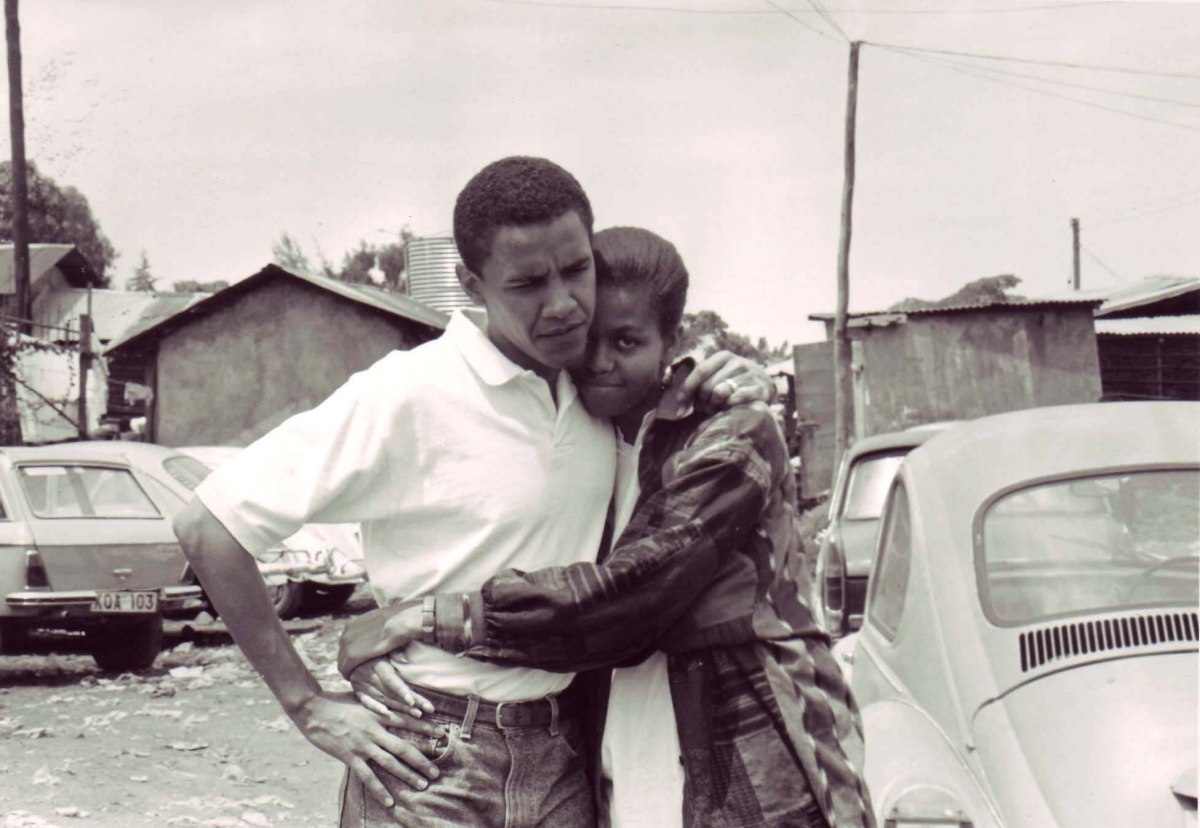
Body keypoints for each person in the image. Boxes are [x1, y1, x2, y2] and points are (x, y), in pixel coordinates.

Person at [173, 157, 770, 827]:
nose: (564, 304)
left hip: (568, 751)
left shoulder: (594, 385)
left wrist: (727, 376)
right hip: (431, 755)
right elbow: (208, 525)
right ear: (471, 284)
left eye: (577, 270)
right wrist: (307, 705)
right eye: (528, 284)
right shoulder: (410, 392)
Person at [339, 226, 876, 828]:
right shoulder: (581, 439)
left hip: (747, 738)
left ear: (672, 341)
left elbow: (629, 598)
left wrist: (420, 617)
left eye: (626, 341)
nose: (599, 361)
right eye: (588, 339)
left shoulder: (728, 433)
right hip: (620, 742)